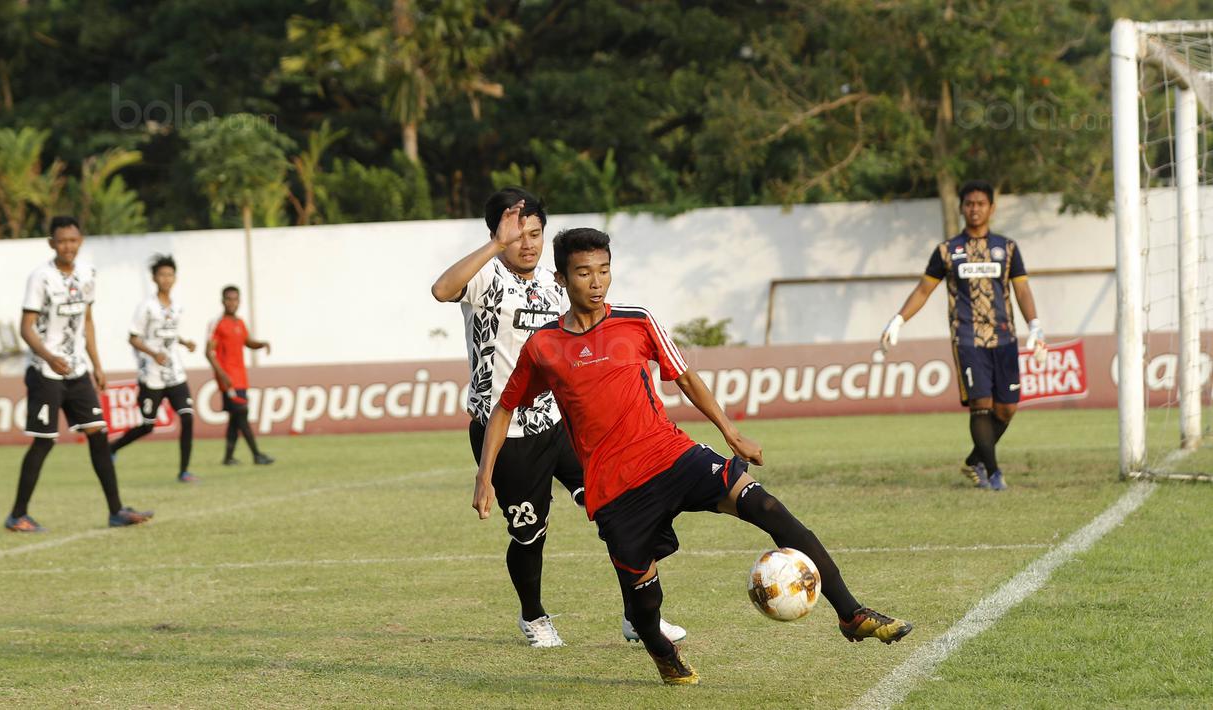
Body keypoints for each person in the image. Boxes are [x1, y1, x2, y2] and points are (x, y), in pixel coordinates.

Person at [474, 227, 912, 684]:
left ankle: (851, 612)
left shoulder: (637, 321)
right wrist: (486, 476)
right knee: (643, 606)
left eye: (604, 270)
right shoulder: (544, 346)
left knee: (767, 507)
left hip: (672, 455)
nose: (597, 281)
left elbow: (685, 377)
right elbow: (505, 407)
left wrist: (731, 434)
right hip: (616, 489)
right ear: (562, 279)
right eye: (584, 273)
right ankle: (663, 652)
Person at [432, 187, 685, 648]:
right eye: (515, 235)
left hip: (564, 427)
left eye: (535, 233)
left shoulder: (558, 282)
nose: (526, 243)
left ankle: (639, 617)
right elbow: (441, 290)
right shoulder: (485, 277)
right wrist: (495, 245)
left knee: (621, 511)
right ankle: (533, 616)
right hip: (506, 432)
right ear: (496, 235)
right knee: (530, 535)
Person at [879, 180, 1046, 491]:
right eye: (969, 203)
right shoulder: (947, 251)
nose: (974, 209)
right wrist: (898, 320)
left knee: (1007, 408)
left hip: (1005, 337)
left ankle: (974, 460)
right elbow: (924, 289)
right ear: (961, 207)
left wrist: (1034, 324)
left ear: (991, 208)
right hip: (968, 339)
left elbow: (1021, 288)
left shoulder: (1007, 249)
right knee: (980, 404)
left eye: (981, 203)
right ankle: (994, 473)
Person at [4, 216, 154, 532]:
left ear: (80, 241)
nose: (67, 247)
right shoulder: (41, 277)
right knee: (44, 442)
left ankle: (116, 511)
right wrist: (49, 356)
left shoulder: (87, 274)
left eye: (73, 240)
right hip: (45, 371)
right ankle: (18, 514)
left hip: (78, 371)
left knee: (98, 435)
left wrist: (97, 365)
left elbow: (87, 321)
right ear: (51, 243)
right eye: (61, 241)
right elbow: (26, 327)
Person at [109, 254, 199, 482]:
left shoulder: (177, 308)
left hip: (175, 372)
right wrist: (153, 354)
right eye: (162, 275)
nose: (166, 279)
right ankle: (113, 447)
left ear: (175, 278)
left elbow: (168, 333)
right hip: (152, 374)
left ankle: (184, 471)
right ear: (154, 278)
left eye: (170, 275)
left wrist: (184, 342)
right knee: (148, 425)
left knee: (187, 417)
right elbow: (134, 338)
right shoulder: (146, 307)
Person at [205, 285, 274, 466]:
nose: (232, 303)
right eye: (228, 299)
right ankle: (257, 455)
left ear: (239, 301)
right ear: (222, 301)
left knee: (236, 418)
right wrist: (222, 375)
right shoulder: (217, 323)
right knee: (241, 413)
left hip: (241, 377)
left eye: (235, 299)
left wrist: (261, 344)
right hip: (228, 379)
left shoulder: (240, 323)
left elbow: (247, 342)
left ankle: (228, 458)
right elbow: (208, 352)